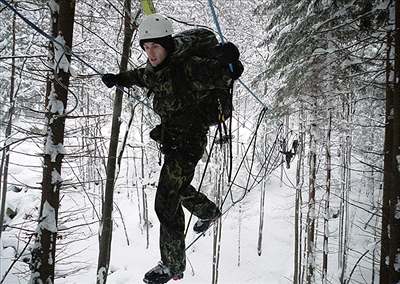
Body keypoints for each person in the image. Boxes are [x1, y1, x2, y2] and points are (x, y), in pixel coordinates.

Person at [102, 13, 243, 284]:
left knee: (165, 202)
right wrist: (117, 79)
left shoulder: (190, 67)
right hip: (173, 140)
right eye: (145, 47)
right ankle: (209, 212)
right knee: (177, 189)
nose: (150, 53)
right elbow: (140, 76)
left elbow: (229, 74)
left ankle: (172, 266)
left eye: (155, 46)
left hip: (188, 142)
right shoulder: (156, 71)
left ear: (167, 45)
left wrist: (232, 59)